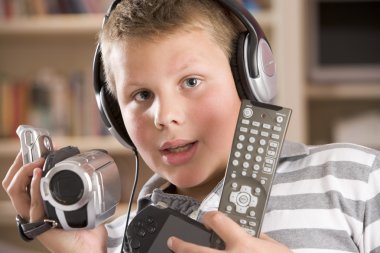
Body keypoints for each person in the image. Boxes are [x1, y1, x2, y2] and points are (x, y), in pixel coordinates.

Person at [3, 0, 380, 253]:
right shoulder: (114, 241)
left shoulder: (356, 180)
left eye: (191, 82)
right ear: (114, 116)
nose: (165, 116)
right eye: (142, 95)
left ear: (250, 81)